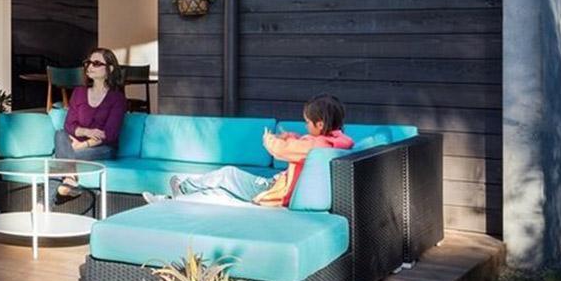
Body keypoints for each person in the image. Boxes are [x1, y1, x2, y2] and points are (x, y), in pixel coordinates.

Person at [150, 94, 353, 206]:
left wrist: (269, 140)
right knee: (219, 191)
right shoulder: (336, 142)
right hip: (277, 186)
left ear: (319, 124)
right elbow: (302, 144)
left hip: (273, 191)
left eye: (307, 122)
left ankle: (183, 188)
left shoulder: (317, 145)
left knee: (227, 174)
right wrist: (290, 137)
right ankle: (169, 201)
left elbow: (282, 151)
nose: (305, 126)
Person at [54, 46, 127, 201]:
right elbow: (68, 125)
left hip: (103, 148)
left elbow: (110, 134)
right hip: (77, 143)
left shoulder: (117, 98)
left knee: (61, 158)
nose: (90, 66)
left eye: (96, 63)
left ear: (110, 69)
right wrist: (87, 132)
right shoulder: (79, 92)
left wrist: (81, 145)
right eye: (88, 62)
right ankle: (70, 180)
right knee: (60, 134)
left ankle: (43, 205)